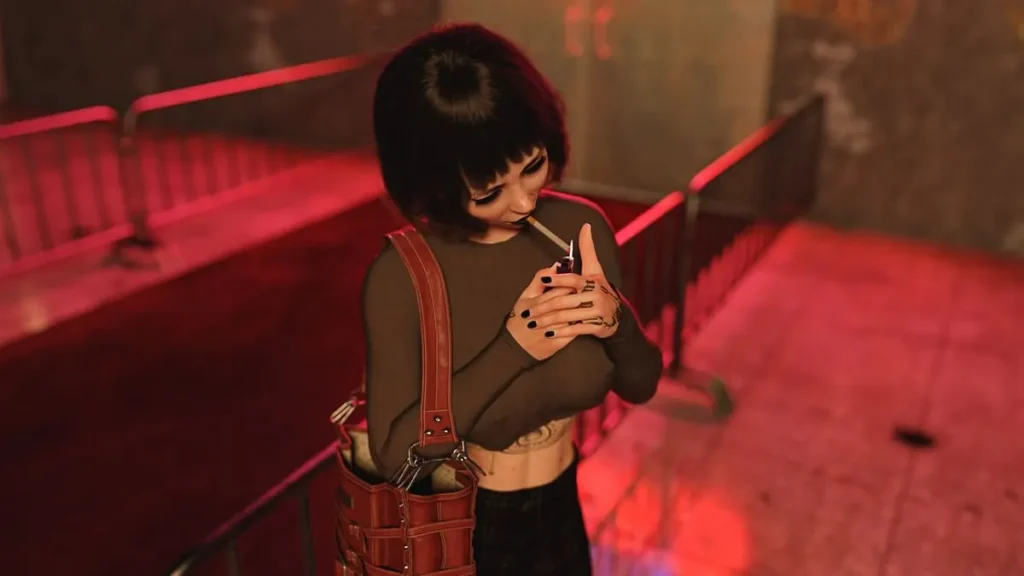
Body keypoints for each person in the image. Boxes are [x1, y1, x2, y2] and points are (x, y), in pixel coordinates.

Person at [364, 22, 663, 575]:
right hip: (466, 527)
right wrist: (514, 348)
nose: (525, 202)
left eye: (533, 166)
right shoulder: (403, 274)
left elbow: (641, 384)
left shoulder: (579, 229)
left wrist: (616, 322)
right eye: (489, 192)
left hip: (563, 505)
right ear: (433, 187)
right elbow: (395, 457)